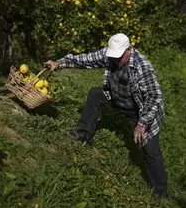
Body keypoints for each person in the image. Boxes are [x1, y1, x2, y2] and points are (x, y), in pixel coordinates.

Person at [45, 33, 169, 199]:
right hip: (118, 98)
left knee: (149, 149)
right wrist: (59, 63)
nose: (116, 61)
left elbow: (154, 96)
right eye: (114, 57)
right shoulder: (111, 55)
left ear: (129, 50)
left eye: (120, 57)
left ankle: (161, 192)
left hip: (141, 109)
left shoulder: (142, 67)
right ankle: (84, 133)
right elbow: (85, 59)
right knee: (96, 94)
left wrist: (142, 123)